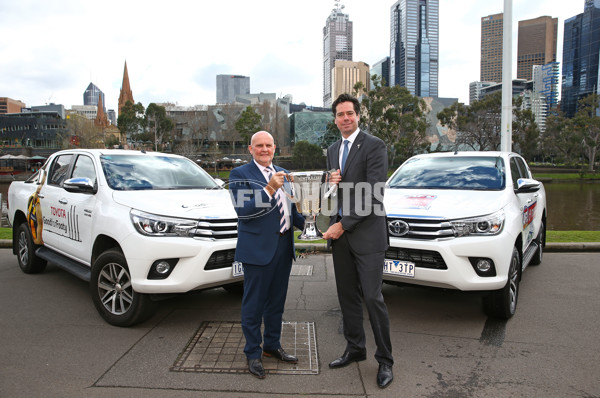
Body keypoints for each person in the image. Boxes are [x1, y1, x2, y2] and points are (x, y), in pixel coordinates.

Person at [322, 93, 394, 389]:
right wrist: (329, 183)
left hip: (367, 236)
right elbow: (332, 193)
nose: (345, 118)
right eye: (340, 114)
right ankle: (355, 348)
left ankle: (386, 361)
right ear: (335, 119)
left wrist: (342, 225)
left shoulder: (375, 146)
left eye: (350, 113)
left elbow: (374, 194)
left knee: (373, 298)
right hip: (341, 239)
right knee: (347, 298)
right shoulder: (332, 149)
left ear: (358, 115)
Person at [228, 131, 305, 379]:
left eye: (268, 145)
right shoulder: (240, 174)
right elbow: (244, 211)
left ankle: (272, 345)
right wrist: (270, 188)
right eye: (259, 146)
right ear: (250, 150)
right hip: (258, 250)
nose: (264, 149)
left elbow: (291, 209)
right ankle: (253, 353)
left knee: (276, 304)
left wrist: (310, 224)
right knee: (254, 305)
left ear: (275, 148)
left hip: (283, 247)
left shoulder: (283, 172)